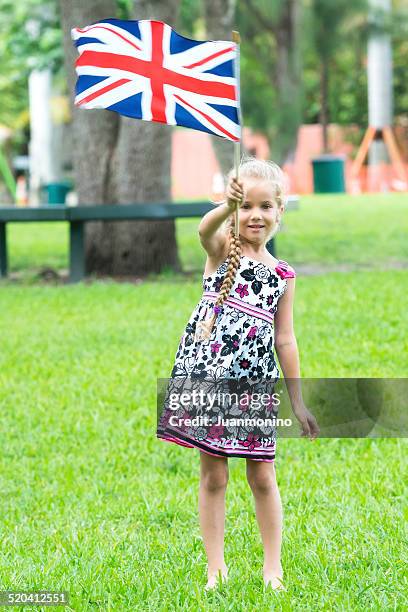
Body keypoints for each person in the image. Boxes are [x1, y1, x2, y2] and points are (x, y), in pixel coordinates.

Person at [157, 157, 319, 592]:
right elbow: (203, 231)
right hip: (209, 382)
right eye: (246, 206)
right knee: (214, 476)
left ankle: (273, 569)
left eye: (266, 206)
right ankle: (216, 569)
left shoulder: (282, 276)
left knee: (262, 475)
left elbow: (285, 340)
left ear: (279, 212)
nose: (255, 215)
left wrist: (298, 400)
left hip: (255, 387)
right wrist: (224, 208)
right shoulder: (222, 251)